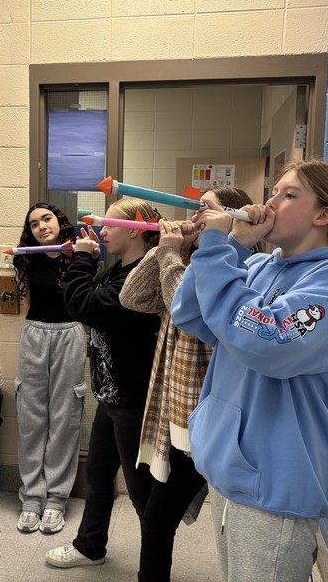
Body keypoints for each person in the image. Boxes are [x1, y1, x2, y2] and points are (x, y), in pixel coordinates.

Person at [171, 160, 328, 581]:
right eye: (274, 191)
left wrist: (216, 248)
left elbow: (266, 341)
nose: (269, 203)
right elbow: (189, 313)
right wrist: (229, 247)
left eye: (289, 195)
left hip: (275, 483)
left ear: (324, 215)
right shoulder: (263, 265)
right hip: (232, 470)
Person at [120, 187, 258, 582]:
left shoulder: (239, 267)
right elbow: (132, 297)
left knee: (159, 516)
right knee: (155, 512)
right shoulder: (188, 260)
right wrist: (167, 249)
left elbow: (185, 310)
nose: (195, 216)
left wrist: (169, 256)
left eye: (206, 209)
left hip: (206, 416)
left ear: (235, 218)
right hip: (175, 410)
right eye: (197, 209)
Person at [46, 197, 161, 569]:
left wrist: (81, 258)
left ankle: (153, 571)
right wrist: (86, 259)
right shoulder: (116, 271)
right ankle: (90, 546)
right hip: (112, 398)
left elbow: (82, 305)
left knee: (142, 494)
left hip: (134, 402)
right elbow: (82, 297)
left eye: (110, 225)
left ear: (138, 231)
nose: (102, 230)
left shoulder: (140, 278)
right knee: (97, 476)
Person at [12, 203, 87, 535]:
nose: (42, 226)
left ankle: (56, 498)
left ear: (59, 222)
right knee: (31, 417)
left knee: (64, 417)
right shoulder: (26, 258)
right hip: (35, 334)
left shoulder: (80, 254)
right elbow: (27, 303)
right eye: (34, 223)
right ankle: (31, 497)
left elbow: (86, 299)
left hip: (71, 334)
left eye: (47, 219)